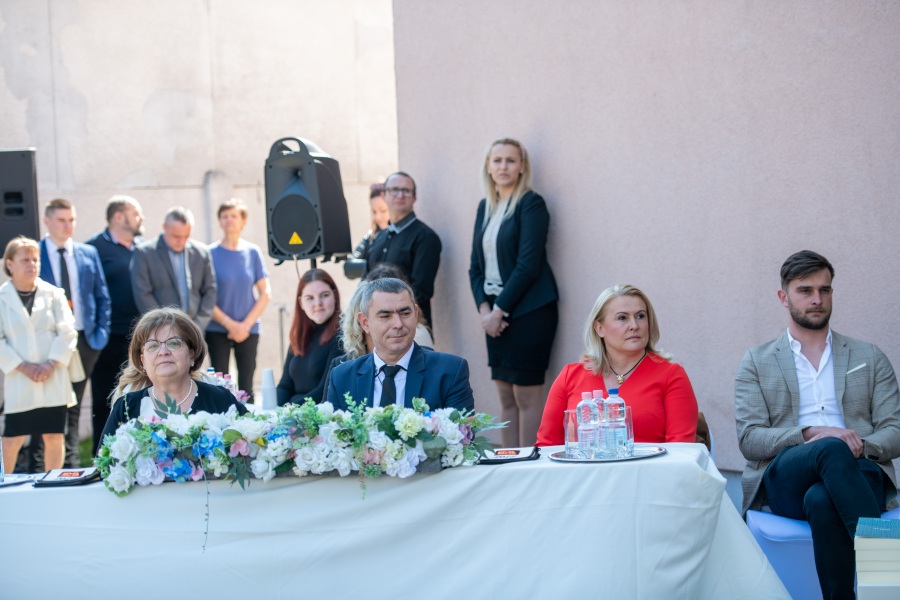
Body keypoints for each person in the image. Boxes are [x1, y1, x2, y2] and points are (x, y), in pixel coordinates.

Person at [735, 250, 900, 599]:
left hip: (860, 469)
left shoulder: (869, 356)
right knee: (827, 447)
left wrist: (859, 444)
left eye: (825, 290)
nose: (817, 299)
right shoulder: (757, 361)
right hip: (788, 474)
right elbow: (749, 438)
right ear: (784, 297)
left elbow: (895, 430)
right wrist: (811, 433)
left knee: (822, 499)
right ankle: (885, 572)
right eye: (805, 290)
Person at [469, 138, 559, 447]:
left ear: (522, 167)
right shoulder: (485, 207)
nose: (503, 166)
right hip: (495, 315)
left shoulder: (531, 204)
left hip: (530, 310)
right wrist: (485, 311)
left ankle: (530, 465)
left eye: (510, 160)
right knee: (505, 397)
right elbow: (475, 267)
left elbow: (528, 266)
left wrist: (499, 310)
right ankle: (509, 463)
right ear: (488, 166)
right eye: (497, 160)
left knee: (526, 396)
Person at [536, 284, 698, 446]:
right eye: (622, 318)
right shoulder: (570, 376)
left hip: (651, 464)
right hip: (583, 463)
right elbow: (546, 446)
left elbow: (682, 450)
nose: (634, 325)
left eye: (641, 316)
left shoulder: (671, 375)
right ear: (599, 328)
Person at [31, 198, 111, 468]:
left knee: (75, 404)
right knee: (46, 404)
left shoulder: (87, 253)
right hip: (49, 343)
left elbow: (101, 296)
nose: (68, 226)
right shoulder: (35, 254)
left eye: (71, 220)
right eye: (61, 220)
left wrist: (100, 334)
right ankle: (38, 464)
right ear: (47, 221)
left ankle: (72, 462)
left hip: (85, 340)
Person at [99, 307, 248, 443]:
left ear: (192, 354)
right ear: (143, 361)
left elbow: (251, 449)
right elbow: (105, 462)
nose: (163, 352)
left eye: (173, 343)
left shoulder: (220, 399)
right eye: (153, 346)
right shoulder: (126, 408)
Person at [326, 277, 474, 413]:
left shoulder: (450, 372)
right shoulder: (342, 378)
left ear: (415, 314)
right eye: (385, 316)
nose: (398, 324)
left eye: (405, 313)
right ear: (365, 323)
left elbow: (462, 432)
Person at [0, 237, 79, 473]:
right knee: (12, 439)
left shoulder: (54, 294)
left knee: (54, 436)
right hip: (19, 378)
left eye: (35, 260)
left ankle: (52, 482)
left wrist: (50, 364)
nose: (32, 265)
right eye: (25, 260)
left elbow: (68, 331)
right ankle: (4, 484)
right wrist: (24, 366)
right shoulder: (2, 297)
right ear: (10, 264)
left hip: (53, 376)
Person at [86, 195, 145, 453]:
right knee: (105, 399)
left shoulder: (143, 248)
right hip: (108, 339)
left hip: (140, 339)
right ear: (119, 217)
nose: (141, 219)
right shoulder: (94, 249)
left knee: (138, 396)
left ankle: (136, 452)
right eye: (136, 213)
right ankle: (102, 455)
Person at [206, 199, 271, 399]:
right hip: (217, 329)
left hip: (248, 330)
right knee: (220, 386)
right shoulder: (209, 253)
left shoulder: (253, 252)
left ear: (243, 220)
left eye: (233, 216)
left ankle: (248, 419)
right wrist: (230, 324)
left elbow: (265, 293)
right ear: (219, 221)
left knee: (247, 386)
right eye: (224, 216)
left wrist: (244, 326)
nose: (229, 220)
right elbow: (204, 295)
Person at [365, 172, 442, 328]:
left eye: (406, 190)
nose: (400, 195)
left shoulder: (425, 237)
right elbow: (365, 282)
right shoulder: (378, 237)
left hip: (410, 328)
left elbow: (421, 292)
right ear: (384, 196)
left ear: (414, 198)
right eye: (394, 189)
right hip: (376, 329)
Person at [131, 206, 216, 331]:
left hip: (195, 330)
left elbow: (210, 291)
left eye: (186, 236)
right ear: (164, 226)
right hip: (161, 331)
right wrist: (163, 326)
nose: (181, 241)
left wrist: (196, 326)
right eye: (176, 236)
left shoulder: (202, 253)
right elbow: (143, 294)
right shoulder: (144, 253)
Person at [276, 269, 342, 405]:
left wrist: (290, 408)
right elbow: (284, 386)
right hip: (293, 412)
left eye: (324, 295)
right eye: (310, 298)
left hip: (319, 413)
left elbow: (324, 391)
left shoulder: (342, 336)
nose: (318, 303)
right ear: (301, 303)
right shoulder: (300, 335)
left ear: (335, 296)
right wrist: (277, 411)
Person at [344, 183, 390, 279]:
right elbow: (349, 267)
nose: (378, 217)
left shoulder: (402, 235)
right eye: (374, 211)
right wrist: (376, 265)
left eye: (383, 210)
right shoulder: (371, 236)